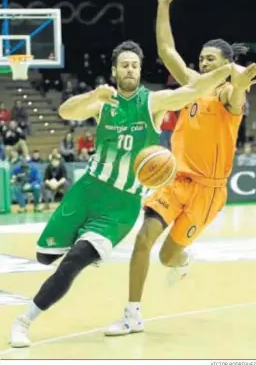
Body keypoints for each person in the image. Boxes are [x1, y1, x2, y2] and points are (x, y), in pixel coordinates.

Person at [10, 39, 235, 347]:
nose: (130, 70)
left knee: (73, 261)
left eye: (135, 66)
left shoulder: (152, 103)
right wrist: (93, 95)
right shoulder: (105, 100)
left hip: (121, 205)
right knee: (45, 255)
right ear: (114, 70)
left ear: (140, 70)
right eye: (125, 65)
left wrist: (228, 70)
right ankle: (90, 246)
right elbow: (66, 111)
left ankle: (23, 322)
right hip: (87, 190)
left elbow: (193, 91)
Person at [104, 0, 256, 336]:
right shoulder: (191, 86)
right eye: (201, 59)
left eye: (211, 60)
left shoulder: (229, 99)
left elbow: (236, 91)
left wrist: (239, 80)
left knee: (168, 257)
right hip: (174, 179)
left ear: (225, 64)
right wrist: (162, 5)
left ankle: (184, 259)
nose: (203, 64)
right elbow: (166, 51)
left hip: (208, 192)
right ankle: (132, 314)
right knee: (143, 238)